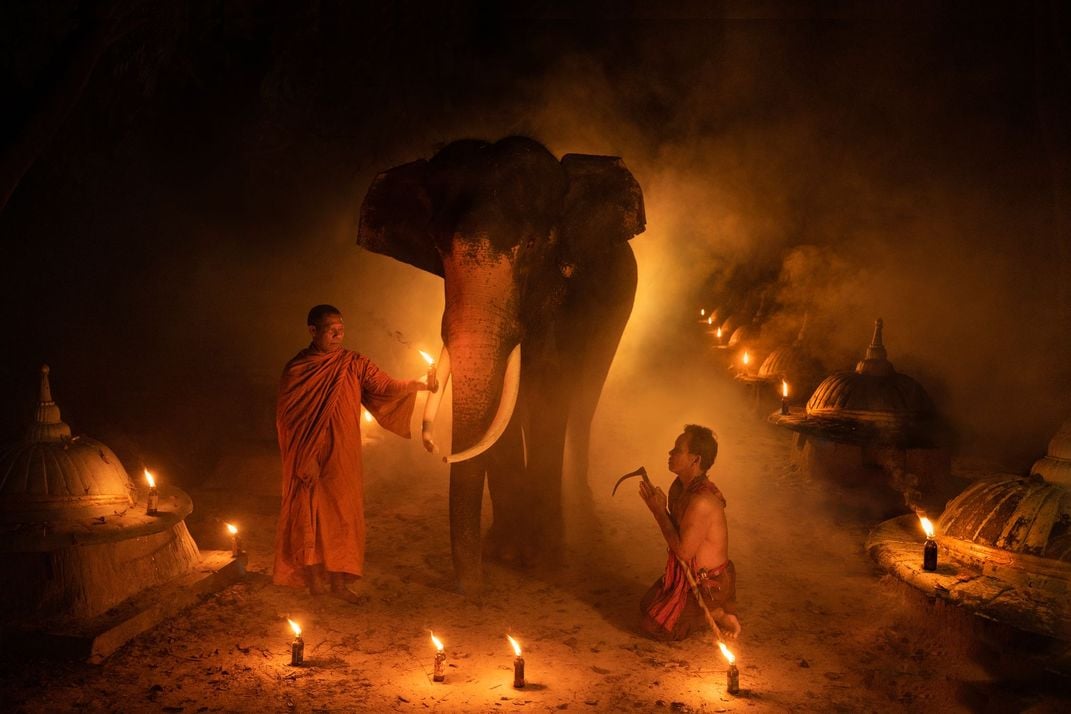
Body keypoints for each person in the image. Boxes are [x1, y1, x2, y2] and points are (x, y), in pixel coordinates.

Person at [273, 304, 436, 602]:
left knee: (343, 513)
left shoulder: (353, 363)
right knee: (309, 514)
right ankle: (314, 581)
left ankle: (340, 583)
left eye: (341, 329)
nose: (338, 335)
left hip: (342, 454)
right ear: (313, 331)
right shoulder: (297, 369)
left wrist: (421, 384)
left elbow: (386, 386)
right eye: (330, 330)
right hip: (307, 456)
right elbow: (288, 420)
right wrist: (302, 458)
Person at [638, 424, 741, 640]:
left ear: (695, 459)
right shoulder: (679, 487)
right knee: (646, 605)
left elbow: (683, 552)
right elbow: (679, 533)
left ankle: (717, 612)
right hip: (688, 574)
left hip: (708, 583)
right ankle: (707, 609)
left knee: (654, 627)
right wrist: (661, 509)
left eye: (677, 449)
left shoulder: (701, 502)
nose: (670, 453)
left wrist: (658, 512)